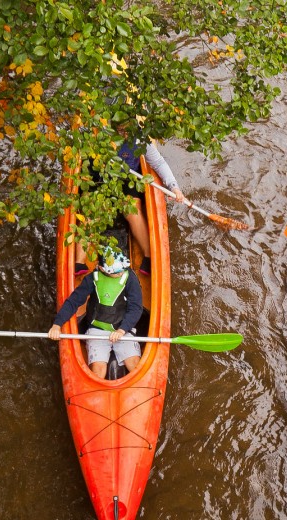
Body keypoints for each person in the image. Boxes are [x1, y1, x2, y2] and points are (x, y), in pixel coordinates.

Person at [73, 134, 184, 277]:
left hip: (127, 177)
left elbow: (158, 162)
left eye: (127, 129)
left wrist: (174, 187)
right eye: (120, 129)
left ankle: (149, 256)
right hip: (98, 177)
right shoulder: (96, 130)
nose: (124, 133)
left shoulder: (139, 136)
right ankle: (78, 263)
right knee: (93, 212)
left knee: (132, 210)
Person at [50, 247, 144, 378]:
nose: (120, 273)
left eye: (122, 268)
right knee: (98, 370)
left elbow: (136, 308)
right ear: (101, 268)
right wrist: (57, 324)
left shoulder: (130, 279)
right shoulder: (92, 279)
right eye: (116, 271)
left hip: (123, 329)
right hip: (97, 329)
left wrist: (122, 330)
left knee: (134, 364)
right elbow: (73, 302)